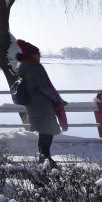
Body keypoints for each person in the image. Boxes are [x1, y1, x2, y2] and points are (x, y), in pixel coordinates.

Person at [16, 39, 69, 168]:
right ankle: (46, 161)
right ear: (32, 55)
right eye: (38, 54)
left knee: (44, 132)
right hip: (43, 106)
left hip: (33, 106)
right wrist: (58, 100)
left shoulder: (23, 67)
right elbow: (45, 87)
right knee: (48, 132)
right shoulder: (35, 67)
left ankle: (45, 160)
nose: (40, 57)